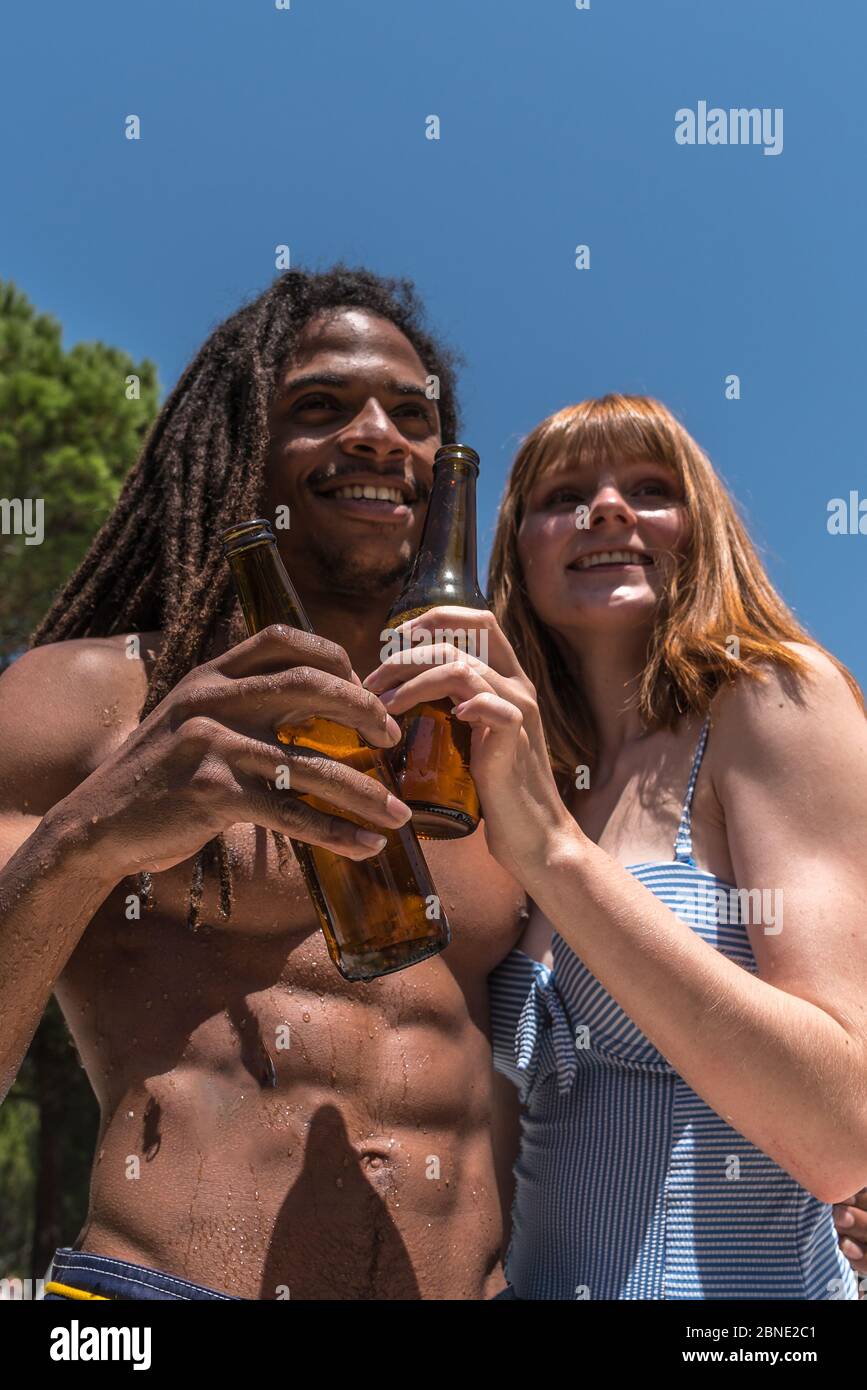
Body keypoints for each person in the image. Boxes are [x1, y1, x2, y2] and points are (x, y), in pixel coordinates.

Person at [0, 267, 527, 1301]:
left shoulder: (493, 736)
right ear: (241, 448)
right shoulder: (93, 698)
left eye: (413, 416)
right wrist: (95, 834)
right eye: (320, 407)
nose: (380, 434)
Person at [363, 394, 867, 1299]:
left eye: (648, 487)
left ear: (702, 530)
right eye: (562, 497)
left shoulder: (773, 701)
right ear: (514, 550)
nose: (605, 509)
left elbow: (841, 1130)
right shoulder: (511, 772)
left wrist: (555, 851)